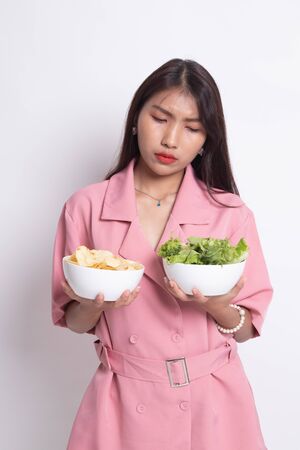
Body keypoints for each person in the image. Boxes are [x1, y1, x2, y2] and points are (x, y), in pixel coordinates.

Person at [51, 58, 273, 450]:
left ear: (207, 140)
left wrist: (219, 306)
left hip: (214, 406)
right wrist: (94, 304)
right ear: (136, 118)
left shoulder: (230, 213)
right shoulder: (84, 207)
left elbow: (245, 329)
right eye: (160, 118)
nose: (171, 139)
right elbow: (73, 319)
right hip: (121, 402)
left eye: (192, 128)